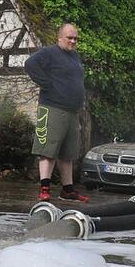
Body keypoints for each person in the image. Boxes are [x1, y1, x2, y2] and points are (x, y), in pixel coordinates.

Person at [25, 23, 89, 202]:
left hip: (71, 110)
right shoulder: (49, 52)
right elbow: (30, 64)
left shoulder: (75, 56)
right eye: (70, 38)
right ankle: (44, 188)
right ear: (59, 37)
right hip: (52, 107)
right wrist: (47, 85)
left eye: (75, 38)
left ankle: (67, 190)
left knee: (67, 153)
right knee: (48, 150)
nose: (73, 41)